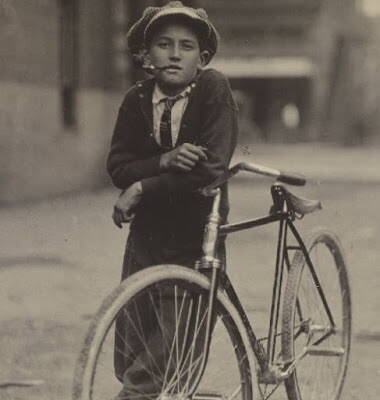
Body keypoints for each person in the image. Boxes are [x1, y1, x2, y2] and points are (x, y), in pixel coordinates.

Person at [106, 1, 238, 398]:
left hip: (196, 234)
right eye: (163, 44)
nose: (175, 54)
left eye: (186, 46)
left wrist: (145, 185)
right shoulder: (136, 98)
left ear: (204, 57)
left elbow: (211, 168)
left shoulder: (213, 88)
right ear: (145, 56)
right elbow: (118, 166)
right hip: (146, 235)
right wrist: (163, 160)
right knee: (131, 346)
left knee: (170, 350)